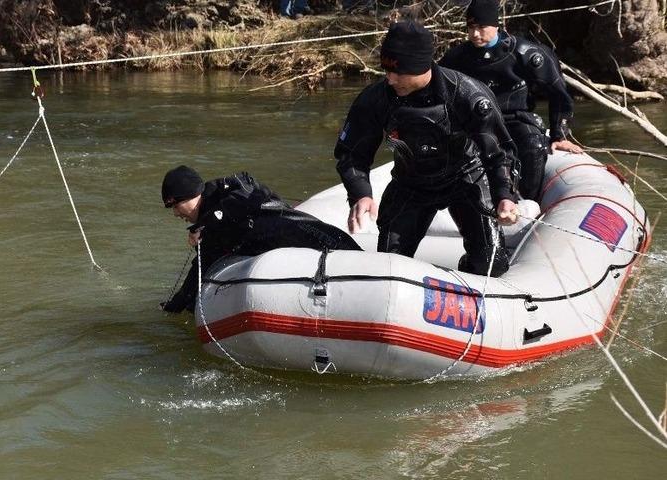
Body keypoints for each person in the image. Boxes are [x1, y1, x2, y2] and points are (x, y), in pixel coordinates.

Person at [334, 21, 519, 277]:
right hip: (410, 183)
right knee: (388, 265)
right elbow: (351, 154)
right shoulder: (375, 98)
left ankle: (469, 272)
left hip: (465, 178)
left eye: (398, 72)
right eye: (385, 70)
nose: (390, 79)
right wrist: (360, 194)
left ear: (421, 67)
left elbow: (499, 153)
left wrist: (505, 196)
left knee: (491, 264)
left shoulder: (468, 95)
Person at [160, 165, 361, 313]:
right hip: (282, 257)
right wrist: (177, 304)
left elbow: (251, 195)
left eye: (176, 206)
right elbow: (201, 266)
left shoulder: (228, 187)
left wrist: (209, 223)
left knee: (348, 251)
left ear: (191, 195)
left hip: (292, 228)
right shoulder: (208, 230)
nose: (176, 214)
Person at [439, 0, 583, 202]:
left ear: (496, 25)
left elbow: (558, 93)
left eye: (481, 27)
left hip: (517, 118)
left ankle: (528, 203)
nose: (475, 34)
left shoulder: (526, 53)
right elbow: (438, 95)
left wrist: (559, 134)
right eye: (470, 28)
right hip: (477, 122)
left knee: (533, 145)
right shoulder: (457, 58)